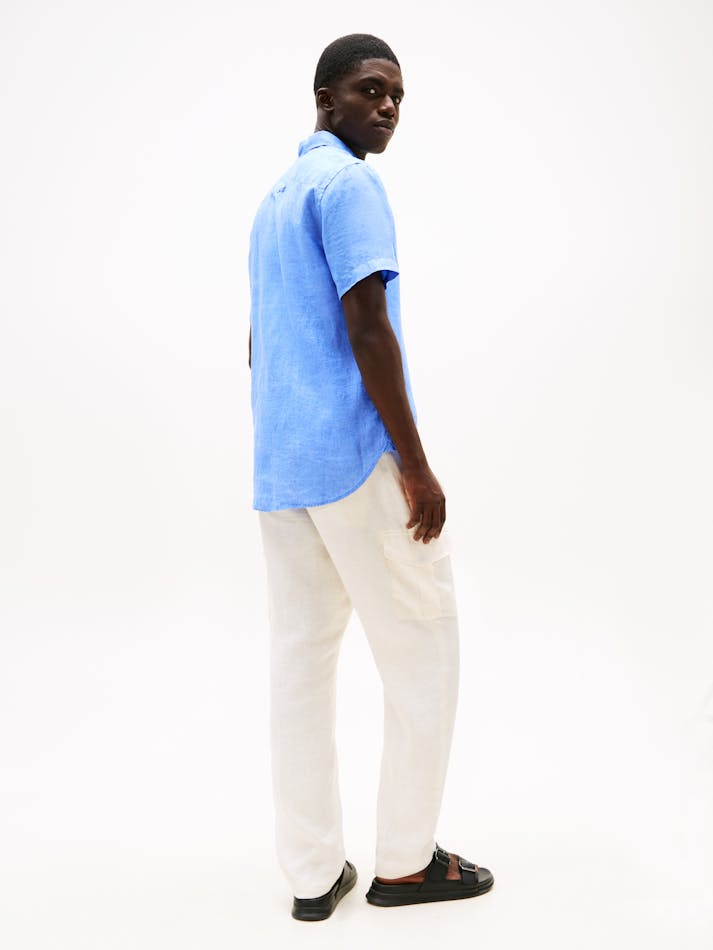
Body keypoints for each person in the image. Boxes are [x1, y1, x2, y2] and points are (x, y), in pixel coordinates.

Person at [248, 33, 494, 921]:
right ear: (326, 98)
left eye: (396, 95)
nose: (387, 107)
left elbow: (257, 343)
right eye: (369, 89)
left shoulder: (275, 199)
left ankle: (312, 876)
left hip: (283, 469)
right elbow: (366, 324)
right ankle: (405, 863)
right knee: (424, 651)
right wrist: (415, 468)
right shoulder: (348, 186)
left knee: (299, 669)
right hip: (353, 460)